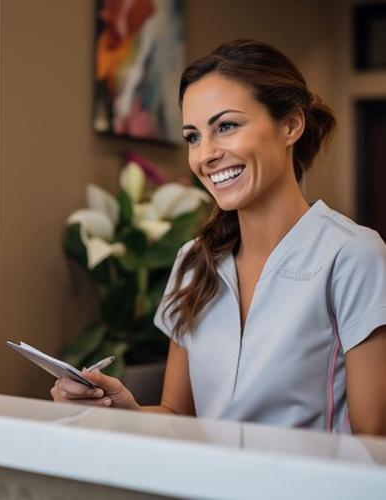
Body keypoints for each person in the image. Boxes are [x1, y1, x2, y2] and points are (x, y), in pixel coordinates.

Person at [51, 40, 386, 436]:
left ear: (291, 125)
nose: (205, 154)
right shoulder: (193, 262)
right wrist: (122, 409)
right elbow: (180, 417)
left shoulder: (352, 255)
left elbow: (372, 445)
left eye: (225, 126)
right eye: (193, 136)